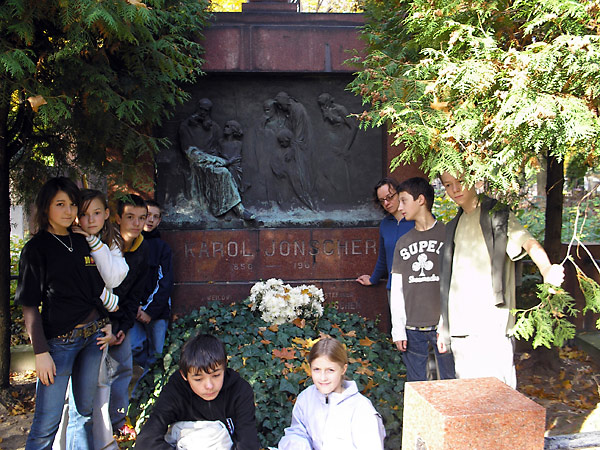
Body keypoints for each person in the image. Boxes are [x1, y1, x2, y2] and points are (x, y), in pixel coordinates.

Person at [438, 172, 565, 388]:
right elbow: (449, 281)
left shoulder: (496, 214)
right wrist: (443, 325)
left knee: (498, 396)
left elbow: (527, 242)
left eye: (460, 181)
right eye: (448, 185)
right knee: (468, 398)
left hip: (491, 323)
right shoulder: (452, 226)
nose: (455, 190)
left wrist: (546, 269)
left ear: (474, 180)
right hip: (460, 326)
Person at [15, 177, 108, 449]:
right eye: (60, 204)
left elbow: (95, 288)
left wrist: (108, 323)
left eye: (72, 205)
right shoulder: (36, 249)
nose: (69, 211)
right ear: (46, 208)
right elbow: (29, 304)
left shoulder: (80, 241)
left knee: (84, 414)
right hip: (59, 345)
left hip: (93, 339)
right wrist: (40, 352)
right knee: (46, 424)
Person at [53, 189, 129, 450]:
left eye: (97, 213)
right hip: (69, 329)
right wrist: (108, 301)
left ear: (107, 214)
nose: (91, 220)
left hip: (98, 328)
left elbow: (113, 278)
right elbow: (89, 288)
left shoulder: (110, 240)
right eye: (84, 214)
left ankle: (99, 442)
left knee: (92, 398)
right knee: (66, 400)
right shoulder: (70, 241)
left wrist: (96, 245)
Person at [135, 333, 260, 450]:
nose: (209, 386)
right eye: (198, 379)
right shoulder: (176, 390)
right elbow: (146, 441)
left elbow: (248, 443)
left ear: (225, 367)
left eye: (216, 375)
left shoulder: (239, 390)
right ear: (185, 376)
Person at [389, 177, 455, 382]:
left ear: (421, 200)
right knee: (417, 387)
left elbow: (455, 284)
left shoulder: (447, 235)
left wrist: (447, 323)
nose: (399, 207)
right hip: (412, 330)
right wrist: (398, 328)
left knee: (450, 384)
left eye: (404, 201)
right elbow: (398, 289)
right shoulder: (403, 242)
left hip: (442, 327)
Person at [278, 336, 386, 450]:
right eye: (317, 369)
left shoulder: (362, 409)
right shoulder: (306, 398)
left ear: (343, 369)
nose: (323, 378)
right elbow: (297, 432)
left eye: (330, 370)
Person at [106, 194, 150, 440]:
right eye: (130, 217)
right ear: (118, 218)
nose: (136, 223)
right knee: (99, 377)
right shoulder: (104, 245)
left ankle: (118, 421)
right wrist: (109, 326)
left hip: (122, 321)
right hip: (100, 320)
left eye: (141, 218)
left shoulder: (142, 247)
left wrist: (123, 326)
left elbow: (135, 292)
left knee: (123, 369)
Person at [130, 200, 173, 386]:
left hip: (156, 312)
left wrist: (149, 310)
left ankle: (146, 394)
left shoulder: (163, 248)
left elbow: (165, 282)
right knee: (134, 345)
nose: (151, 220)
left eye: (156, 217)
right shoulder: (130, 243)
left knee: (156, 356)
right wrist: (135, 307)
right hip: (132, 311)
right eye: (148, 215)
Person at [356, 177, 415, 300]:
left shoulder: (417, 219)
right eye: (382, 201)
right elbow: (383, 258)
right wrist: (372, 279)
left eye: (390, 197)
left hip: (417, 287)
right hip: (394, 289)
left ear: (400, 193)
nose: (386, 203)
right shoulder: (385, 224)